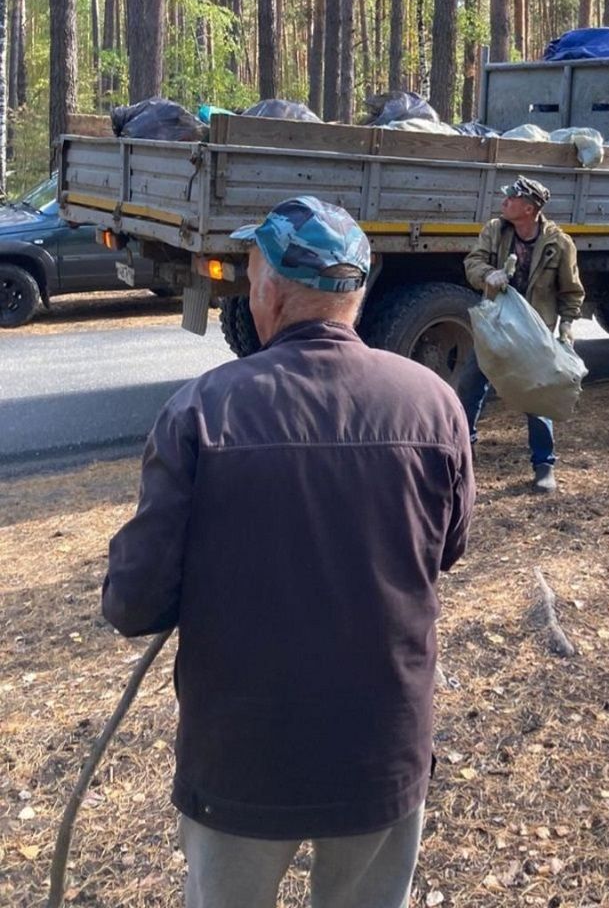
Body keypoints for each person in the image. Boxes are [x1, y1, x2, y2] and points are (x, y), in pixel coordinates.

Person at [102, 195, 475, 908]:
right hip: (381, 746)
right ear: (357, 298)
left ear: (268, 290)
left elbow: (134, 602)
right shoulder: (434, 404)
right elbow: (446, 548)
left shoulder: (202, 410)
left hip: (244, 756)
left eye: (249, 273)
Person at [460, 174, 584, 493]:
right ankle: (462, 452)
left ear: (529, 209)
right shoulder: (495, 230)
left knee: (537, 394)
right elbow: (473, 263)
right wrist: (490, 275)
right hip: (497, 324)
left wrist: (568, 325)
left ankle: (544, 465)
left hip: (534, 331)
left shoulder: (559, 243)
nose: (504, 202)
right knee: (472, 383)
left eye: (511, 198)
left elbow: (571, 291)